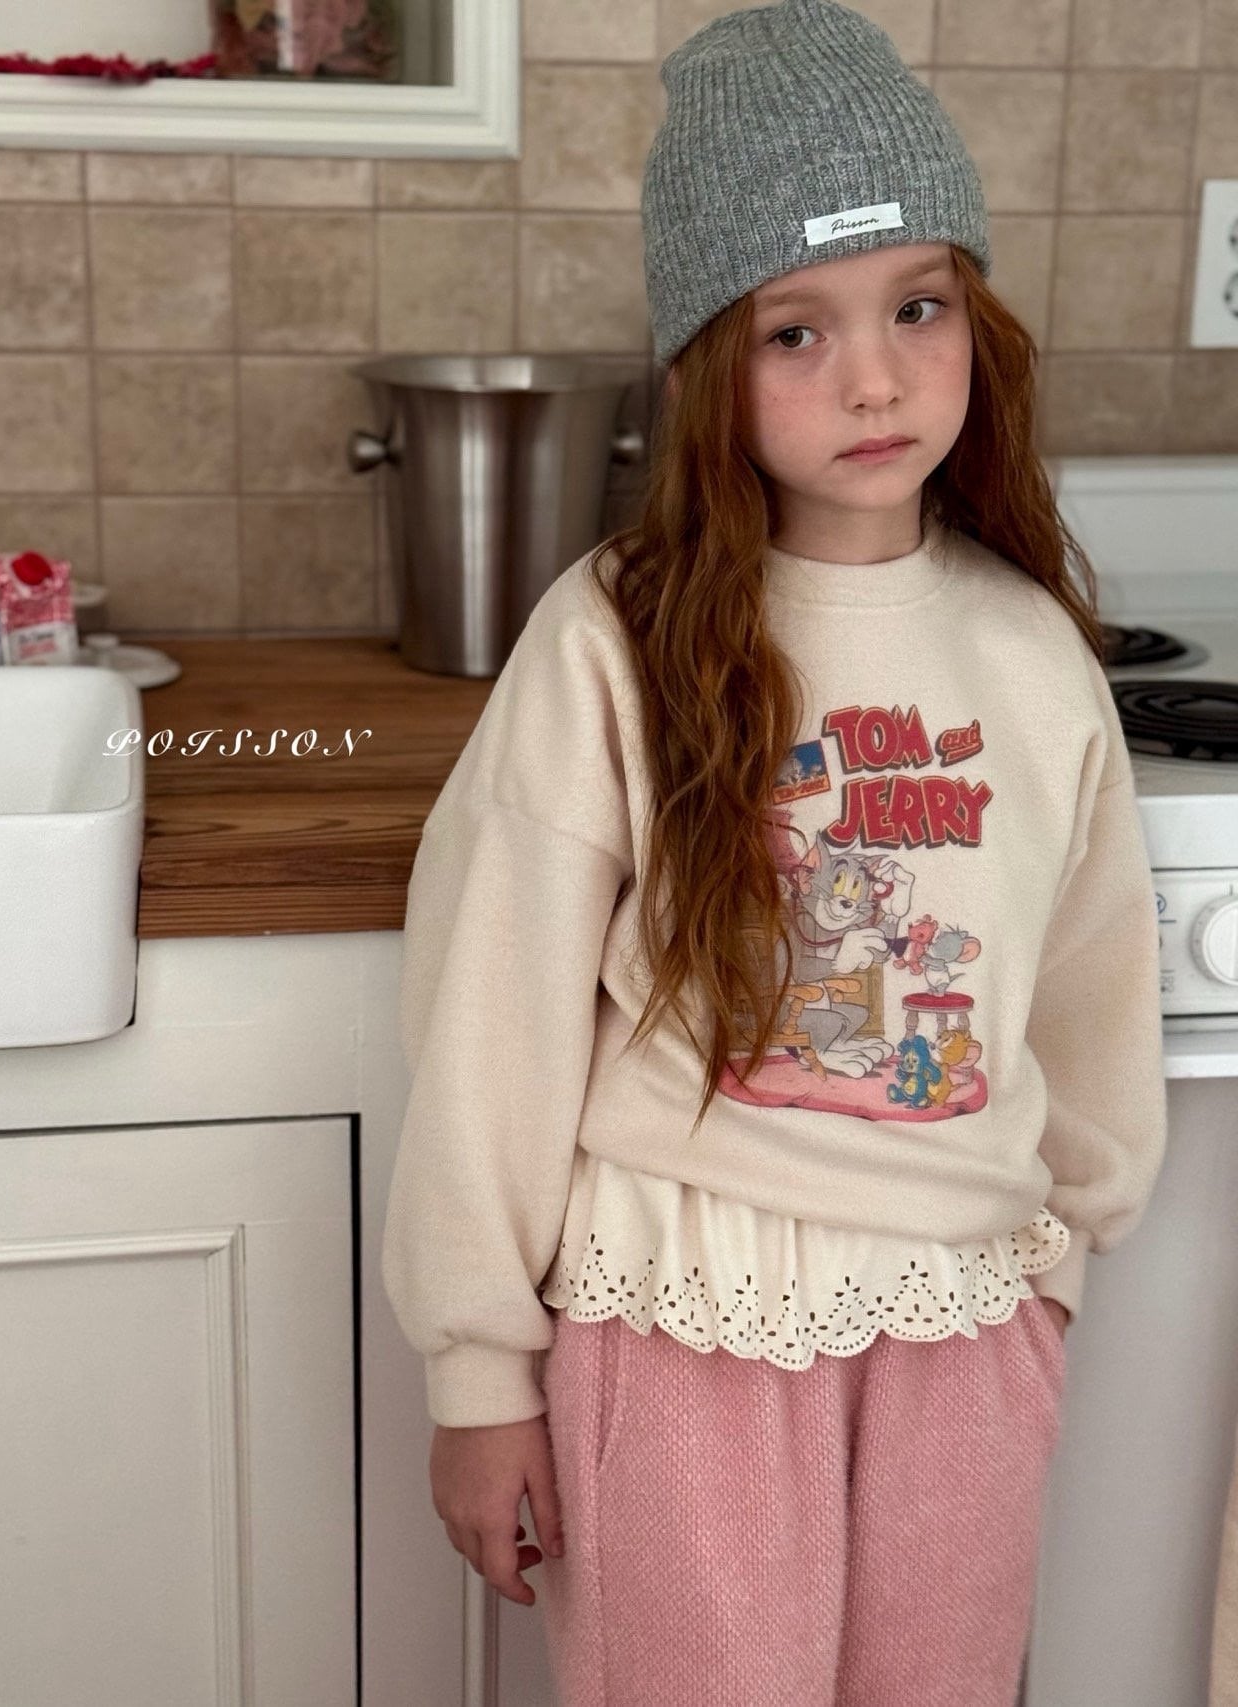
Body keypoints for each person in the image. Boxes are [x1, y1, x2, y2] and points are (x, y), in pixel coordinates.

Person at [380, 1, 1168, 1701]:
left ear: (977, 322)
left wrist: (1058, 1262)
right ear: (700, 372)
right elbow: (493, 1016)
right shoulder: (616, 638)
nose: (874, 377)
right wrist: (477, 1370)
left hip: (964, 1320)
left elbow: (1091, 981)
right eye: (795, 332)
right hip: (690, 1312)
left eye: (917, 307)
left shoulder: (1031, 650)